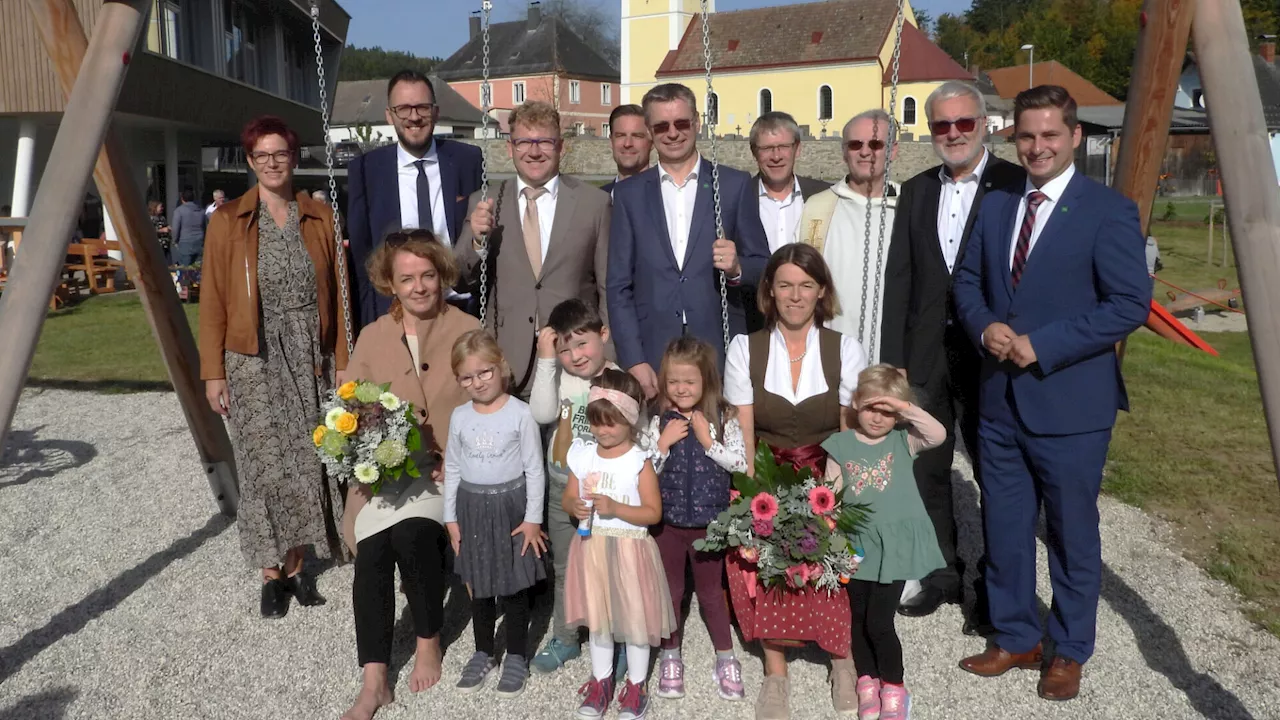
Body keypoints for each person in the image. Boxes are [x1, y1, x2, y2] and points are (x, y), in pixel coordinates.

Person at [953, 85, 1150, 701]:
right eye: (1027, 135)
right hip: (999, 401)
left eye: (1050, 135)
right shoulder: (996, 204)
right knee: (1005, 526)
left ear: (1075, 137)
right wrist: (984, 324)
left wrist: (1044, 344)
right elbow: (965, 281)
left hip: (1069, 403)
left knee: (1070, 531)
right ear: (1014, 136)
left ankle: (1068, 648)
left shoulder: (1107, 210)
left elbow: (1130, 304)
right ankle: (1015, 634)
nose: (1037, 146)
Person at [879, 80, 1025, 629]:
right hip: (923, 353)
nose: (954, 133)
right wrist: (894, 358)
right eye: (943, 125)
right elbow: (900, 279)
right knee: (926, 469)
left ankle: (994, 589)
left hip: (990, 353)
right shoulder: (916, 190)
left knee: (996, 470)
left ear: (984, 124)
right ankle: (941, 573)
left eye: (965, 123)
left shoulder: (1013, 184)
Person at [199, 115, 349, 618]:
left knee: (307, 460)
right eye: (261, 155)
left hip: (310, 350)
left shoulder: (319, 216)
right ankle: (270, 571)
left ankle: (300, 562)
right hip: (251, 354)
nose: (271, 162)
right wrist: (213, 372)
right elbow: (214, 299)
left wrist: (342, 359)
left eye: (279, 153)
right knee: (263, 464)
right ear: (249, 161)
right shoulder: (229, 220)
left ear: (294, 156)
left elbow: (340, 295)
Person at [722, 243, 869, 719]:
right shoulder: (745, 348)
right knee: (766, 565)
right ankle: (775, 672)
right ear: (769, 291)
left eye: (806, 285)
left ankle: (841, 660)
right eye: (784, 284)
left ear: (821, 291)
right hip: (768, 474)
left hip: (827, 472)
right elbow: (744, 432)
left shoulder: (845, 348)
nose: (795, 295)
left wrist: (834, 497)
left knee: (833, 566)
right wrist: (752, 495)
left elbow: (849, 429)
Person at [338, 230, 479, 720]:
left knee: (416, 535)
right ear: (390, 284)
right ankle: (374, 680)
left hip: (444, 473)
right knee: (374, 552)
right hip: (386, 476)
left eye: (427, 276)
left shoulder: (467, 328)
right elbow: (351, 406)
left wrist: (456, 458)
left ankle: (427, 641)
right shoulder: (374, 335)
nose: (419, 287)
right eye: (407, 279)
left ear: (441, 276)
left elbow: (486, 403)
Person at [608, 82, 770, 396]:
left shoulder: (733, 185)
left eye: (681, 123)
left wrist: (737, 268)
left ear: (696, 122)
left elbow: (764, 267)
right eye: (662, 126)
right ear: (650, 131)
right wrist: (633, 358)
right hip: (654, 350)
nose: (673, 133)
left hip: (719, 347)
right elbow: (618, 286)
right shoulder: (629, 194)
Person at [459, 100, 611, 398]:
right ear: (510, 148)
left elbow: (608, 286)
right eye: (524, 142)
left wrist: (608, 354)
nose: (534, 151)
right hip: (507, 359)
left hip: (574, 358)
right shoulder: (486, 200)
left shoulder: (594, 204)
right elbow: (461, 278)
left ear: (561, 146)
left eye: (544, 141)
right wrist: (476, 240)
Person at [820, 365, 946, 720]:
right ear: (856, 403)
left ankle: (894, 686)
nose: (878, 417)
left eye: (887, 411)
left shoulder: (903, 441)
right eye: (872, 407)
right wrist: (832, 542)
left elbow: (937, 433)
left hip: (892, 549)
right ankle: (866, 679)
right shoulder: (840, 445)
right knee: (857, 618)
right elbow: (831, 496)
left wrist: (903, 407)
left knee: (880, 621)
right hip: (856, 546)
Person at [562, 369, 675, 720]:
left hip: (630, 551)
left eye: (611, 423)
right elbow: (568, 496)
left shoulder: (638, 462)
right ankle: (601, 681)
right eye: (596, 423)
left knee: (635, 620)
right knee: (600, 618)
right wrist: (574, 505)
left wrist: (616, 508)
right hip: (592, 547)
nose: (602, 431)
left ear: (630, 420)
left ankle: (637, 685)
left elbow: (653, 512)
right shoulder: (583, 455)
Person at [445, 330, 548, 697]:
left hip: (512, 509)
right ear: (458, 380)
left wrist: (533, 519)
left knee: (515, 585)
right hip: (471, 508)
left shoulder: (521, 414)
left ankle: (517, 654)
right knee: (479, 585)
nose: (478, 382)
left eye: (485, 372)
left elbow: (535, 470)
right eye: (467, 377)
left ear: (501, 366)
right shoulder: (459, 417)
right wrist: (451, 519)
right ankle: (483, 651)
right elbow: (453, 468)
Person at [647, 335, 747, 702]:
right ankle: (671, 656)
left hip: (710, 525)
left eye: (689, 381)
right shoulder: (658, 418)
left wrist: (709, 442)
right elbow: (643, 469)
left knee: (710, 594)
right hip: (668, 524)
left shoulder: (723, 417)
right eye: (673, 381)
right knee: (670, 592)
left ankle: (725, 656)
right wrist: (662, 443)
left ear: (706, 379)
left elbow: (740, 464)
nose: (681, 388)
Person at [527, 299, 621, 675]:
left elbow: (636, 430)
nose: (575, 356)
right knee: (565, 565)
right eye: (565, 349)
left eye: (582, 344)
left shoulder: (617, 378)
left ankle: (613, 636)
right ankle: (566, 638)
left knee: (609, 566)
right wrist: (546, 360)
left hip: (605, 491)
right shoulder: (558, 377)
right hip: (561, 485)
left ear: (603, 335)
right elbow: (542, 413)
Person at [348, 70, 484, 325]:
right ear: (390, 115)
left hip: (458, 308)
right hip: (394, 313)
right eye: (404, 108)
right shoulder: (366, 170)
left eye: (422, 107)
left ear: (435, 111)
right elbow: (361, 256)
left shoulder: (467, 160)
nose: (414, 117)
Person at [799, 110, 899, 364]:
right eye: (856, 145)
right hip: (830, 351)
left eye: (876, 144)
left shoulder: (911, 206)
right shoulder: (818, 208)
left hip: (895, 355)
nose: (865, 152)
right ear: (844, 152)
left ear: (893, 150)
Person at [749, 111, 830, 253]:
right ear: (754, 152)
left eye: (784, 147)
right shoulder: (740, 199)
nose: (776, 156)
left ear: (797, 149)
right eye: (767, 148)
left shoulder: (825, 196)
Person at [602, 104, 652, 198]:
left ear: (652, 142)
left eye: (637, 136)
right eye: (620, 135)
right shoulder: (598, 199)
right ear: (611, 141)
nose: (627, 144)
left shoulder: (666, 196)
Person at [171, 186, 207, 266]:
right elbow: (205, 227)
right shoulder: (201, 211)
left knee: (185, 270)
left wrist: (174, 240)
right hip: (199, 242)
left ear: (182, 199)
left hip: (185, 243)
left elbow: (175, 228)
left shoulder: (179, 211)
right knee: (198, 269)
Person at [148, 200, 171, 265]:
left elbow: (165, 226)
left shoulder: (162, 218)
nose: (162, 208)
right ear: (154, 208)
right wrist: (162, 230)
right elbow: (149, 231)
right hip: (157, 245)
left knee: (167, 263)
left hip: (165, 244)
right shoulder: (150, 218)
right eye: (160, 207)